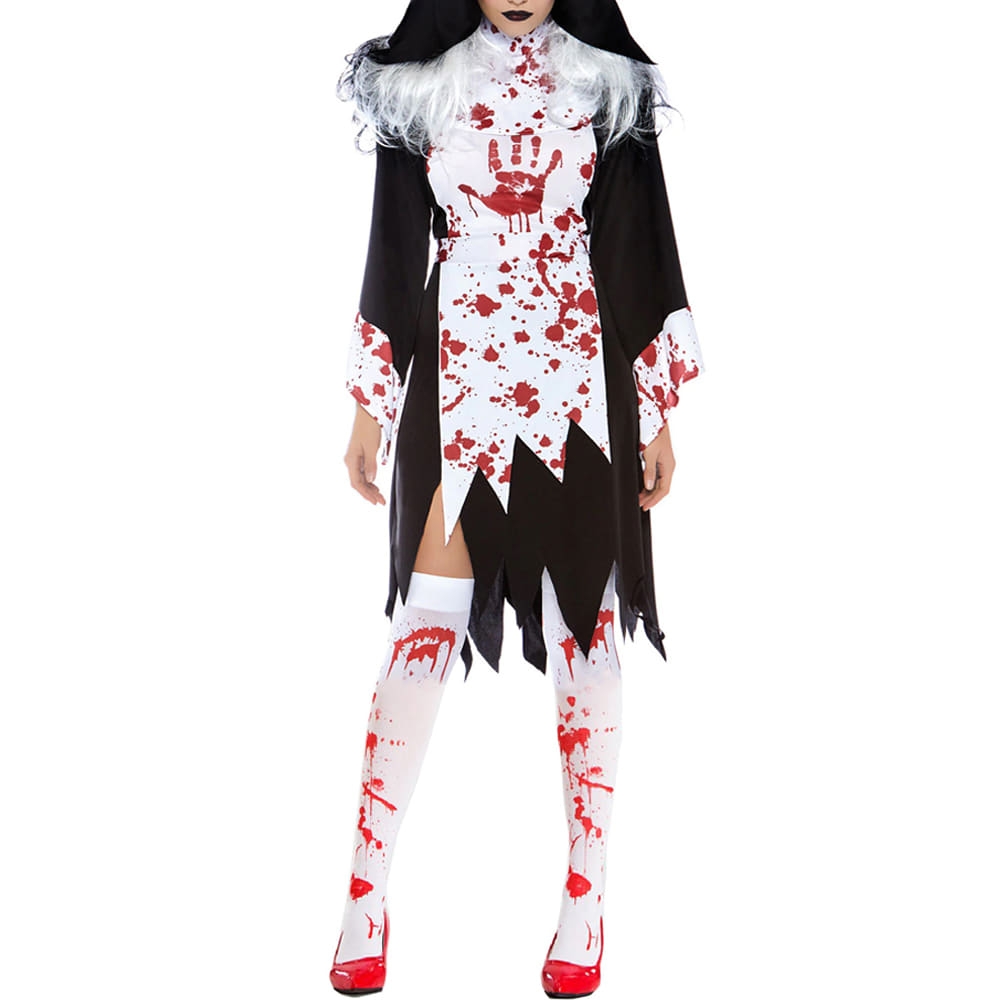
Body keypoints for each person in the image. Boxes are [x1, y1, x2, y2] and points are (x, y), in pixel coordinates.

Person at [329, 1, 704, 995]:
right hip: (459, 372)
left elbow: (638, 246)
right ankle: (365, 887)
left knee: (586, 628)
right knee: (426, 617)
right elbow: (392, 245)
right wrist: (371, 403)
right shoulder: (420, 86)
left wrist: (656, 411)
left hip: (580, 374)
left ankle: (586, 897)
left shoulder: (605, 83)